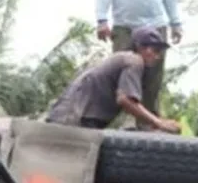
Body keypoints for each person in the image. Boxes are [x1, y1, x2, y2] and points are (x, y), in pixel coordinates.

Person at [45, 27, 180, 133]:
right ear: (140, 47)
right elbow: (125, 100)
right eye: (155, 50)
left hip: (65, 115)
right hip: (75, 119)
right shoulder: (134, 60)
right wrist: (158, 122)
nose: (157, 56)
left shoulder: (119, 58)